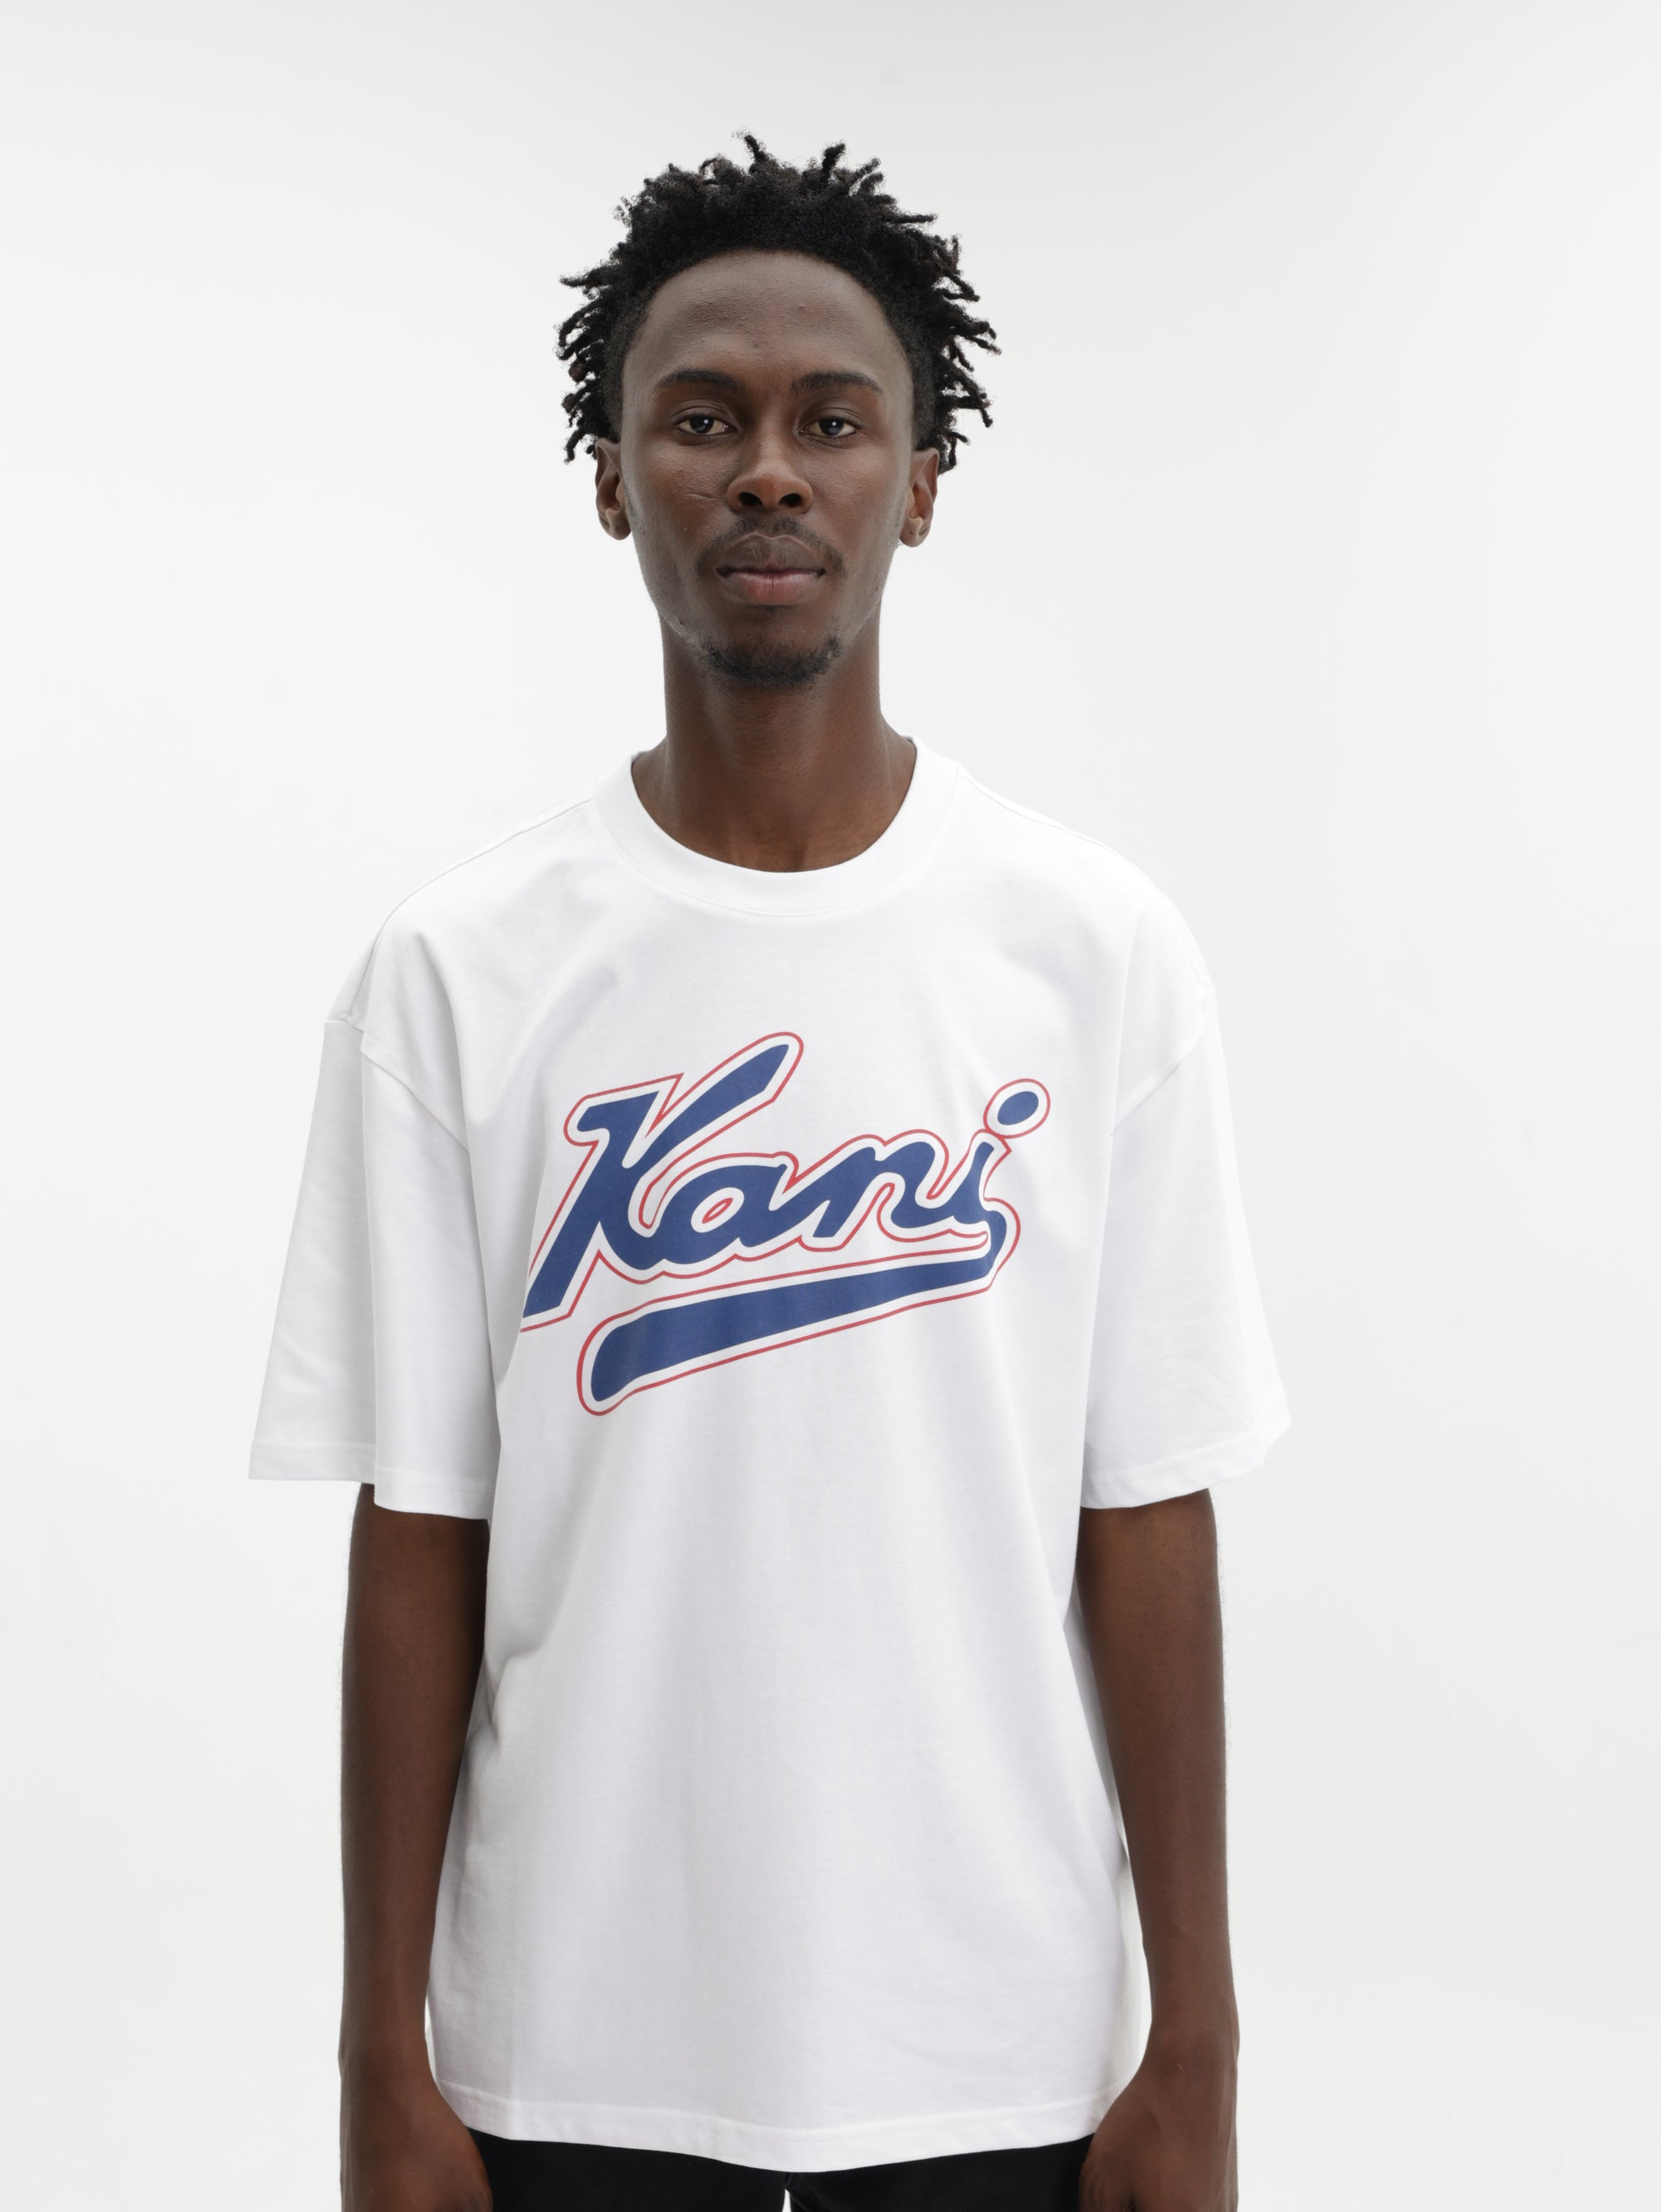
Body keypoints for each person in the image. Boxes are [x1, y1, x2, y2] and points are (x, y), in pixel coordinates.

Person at [252, 137, 1290, 2212]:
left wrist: (1198, 2039)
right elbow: (420, 1530)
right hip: (571, 2054)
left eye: (831, 421)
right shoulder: (459, 969)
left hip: (994, 2049)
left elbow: (1146, 1512)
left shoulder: (1091, 954)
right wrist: (381, 2054)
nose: (766, 475)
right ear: (611, 478)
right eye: (701, 419)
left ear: (921, 482)